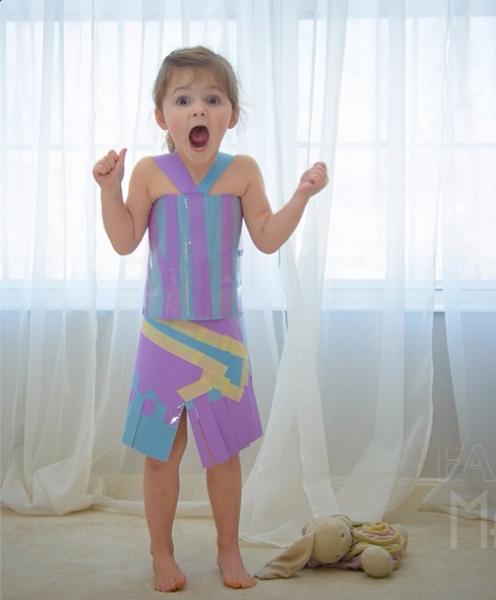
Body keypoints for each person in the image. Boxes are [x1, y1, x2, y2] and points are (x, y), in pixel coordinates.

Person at [92, 46, 328, 593]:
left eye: (212, 99)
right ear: (162, 118)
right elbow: (125, 240)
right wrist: (109, 190)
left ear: (231, 116)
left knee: (224, 453)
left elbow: (266, 237)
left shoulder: (242, 172)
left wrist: (301, 197)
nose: (198, 109)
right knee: (161, 454)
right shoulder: (149, 173)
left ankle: (229, 549)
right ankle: (162, 553)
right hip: (163, 335)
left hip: (222, 336)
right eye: (183, 100)